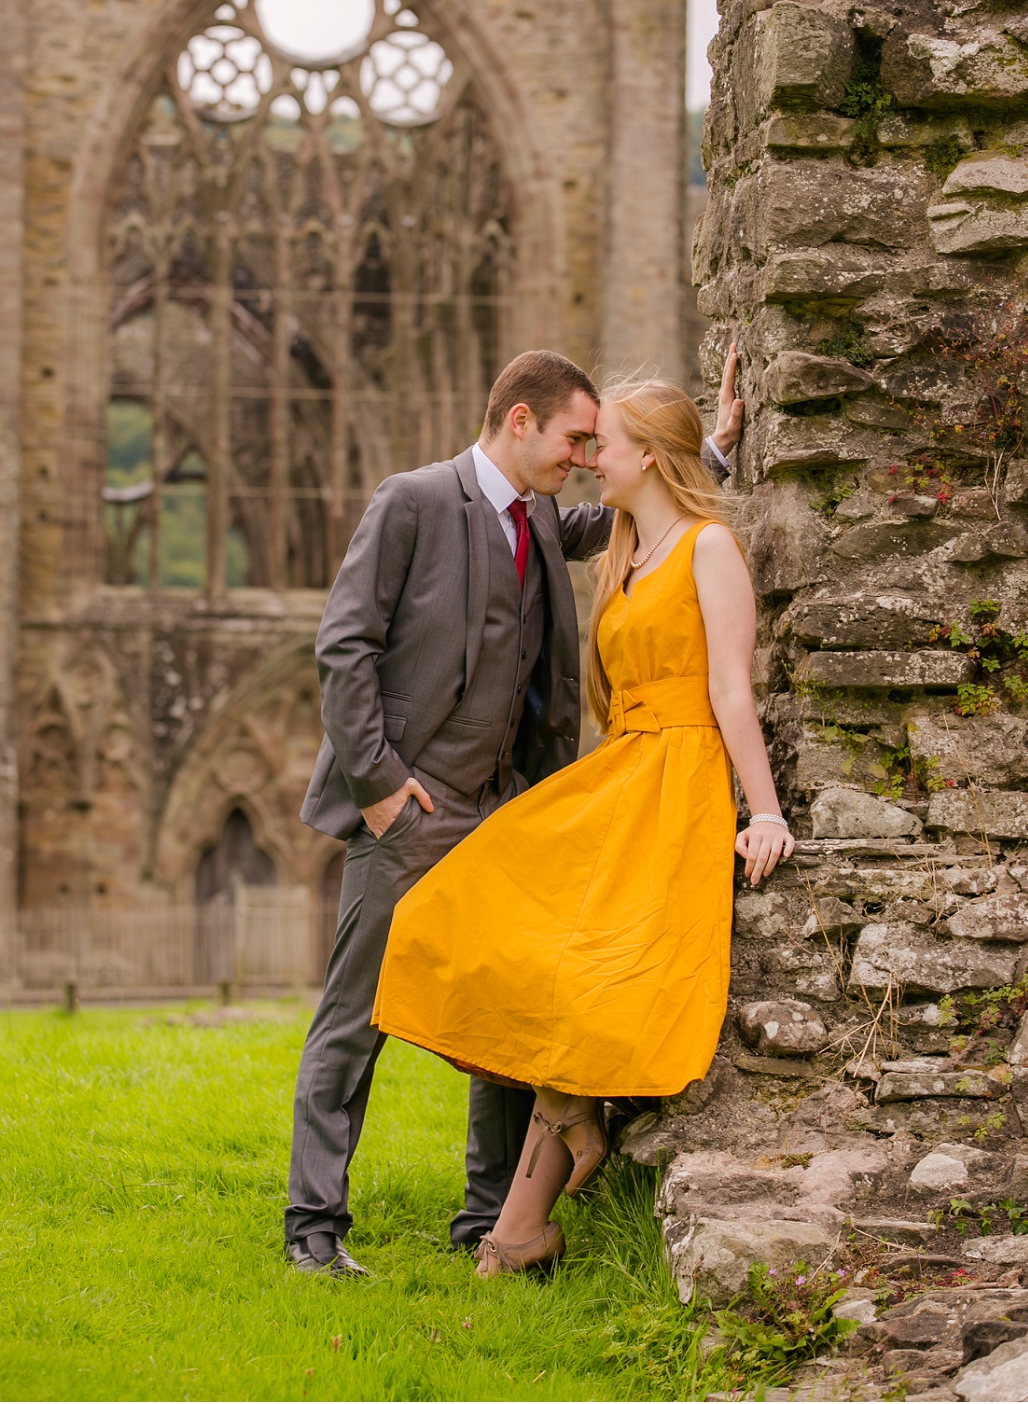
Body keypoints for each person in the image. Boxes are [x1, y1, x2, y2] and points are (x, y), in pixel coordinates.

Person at [284, 349, 743, 1277]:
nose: (582, 455)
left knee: (508, 999)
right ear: (521, 420)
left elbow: (631, 508)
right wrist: (376, 786)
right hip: (410, 803)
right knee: (355, 1010)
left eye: (594, 442)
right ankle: (313, 1225)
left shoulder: (538, 514)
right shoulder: (413, 499)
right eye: (575, 436)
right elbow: (344, 643)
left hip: (502, 807)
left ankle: (488, 1214)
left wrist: (712, 454)